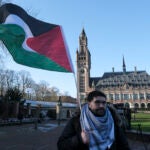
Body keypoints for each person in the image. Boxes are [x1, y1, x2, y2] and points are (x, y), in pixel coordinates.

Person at [57, 90, 130, 150]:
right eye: (97, 102)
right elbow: (61, 145)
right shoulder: (76, 121)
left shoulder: (113, 120)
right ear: (89, 104)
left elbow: (124, 146)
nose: (101, 105)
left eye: (104, 103)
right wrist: (79, 139)